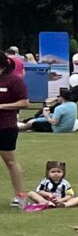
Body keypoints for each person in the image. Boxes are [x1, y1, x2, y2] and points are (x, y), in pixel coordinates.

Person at [0, 49, 30, 203]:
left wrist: (3, 106)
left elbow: (24, 103)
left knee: (10, 160)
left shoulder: (14, 81)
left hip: (5, 126)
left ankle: (19, 195)